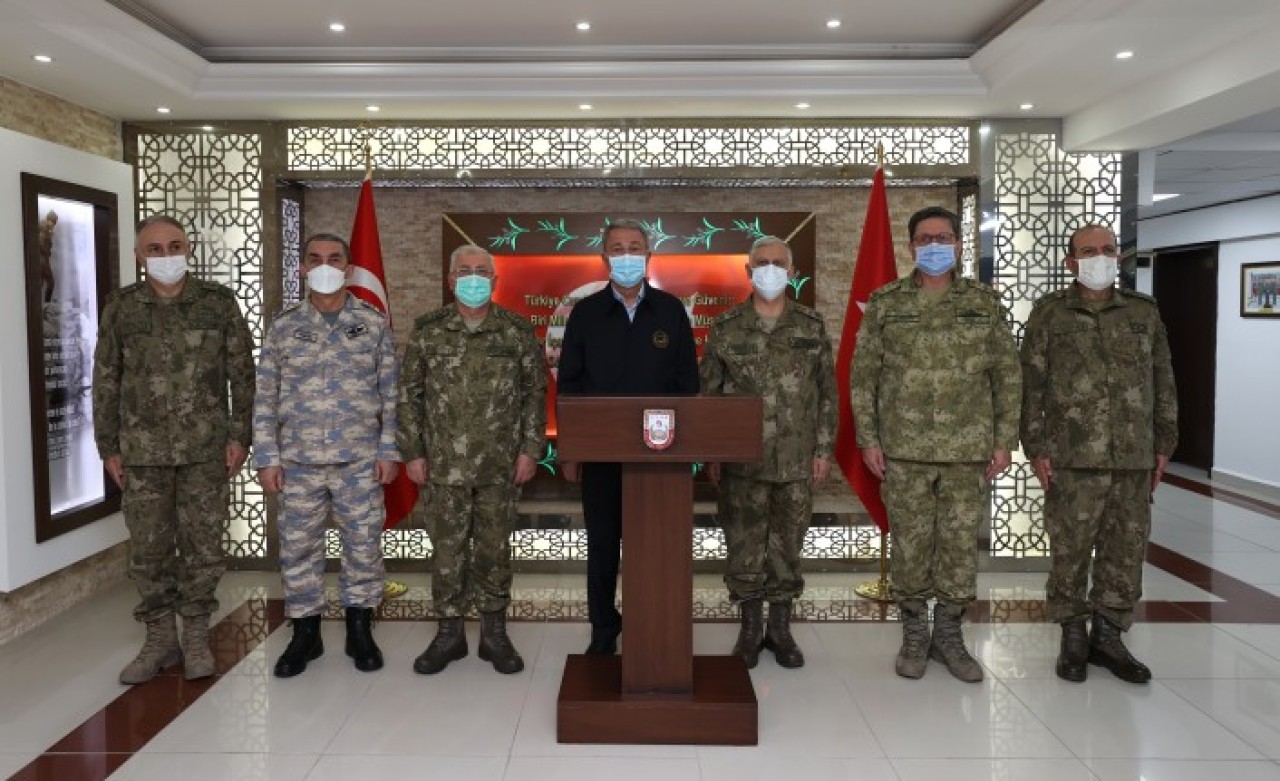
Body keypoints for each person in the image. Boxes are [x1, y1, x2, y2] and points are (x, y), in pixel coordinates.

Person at [851, 205, 1021, 683]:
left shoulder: (984, 302)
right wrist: (869, 438)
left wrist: (1004, 439)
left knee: (958, 546)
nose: (934, 246)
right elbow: (863, 377)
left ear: (960, 244)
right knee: (909, 545)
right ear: (910, 247)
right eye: (925, 239)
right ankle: (913, 633)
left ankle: (949, 634)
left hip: (967, 450)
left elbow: (1007, 374)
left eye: (943, 238)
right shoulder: (886, 302)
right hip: (903, 448)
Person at [93, 214, 255, 684]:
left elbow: (242, 376)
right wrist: (108, 445)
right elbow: (106, 380)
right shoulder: (121, 308)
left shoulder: (218, 304)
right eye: (156, 249)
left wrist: (238, 436)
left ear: (189, 249)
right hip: (141, 453)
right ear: (139, 257)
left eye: (175, 246)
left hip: (205, 450)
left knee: (204, 546)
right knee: (148, 549)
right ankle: (161, 638)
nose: (167, 256)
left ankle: (198, 635)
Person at [1020, 224, 1177, 684]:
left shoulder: (1143, 314)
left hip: (1132, 456)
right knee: (1070, 549)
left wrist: (1165, 443)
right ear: (1070, 262)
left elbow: (1163, 380)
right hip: (1072, 457)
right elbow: (1031, 385)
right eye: (1088, 251)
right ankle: (1072, 634)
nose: (1100, 257)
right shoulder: (1050, 315)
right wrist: (1035, 446)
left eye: (1108, 250)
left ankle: (1108, 636)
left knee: (1125, 550)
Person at [254, 233, 400, 678]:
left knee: (363, 547)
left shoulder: (372, 323)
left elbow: (390, 393)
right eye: (315, 259)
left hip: (359, 459)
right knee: (298, 550)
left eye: (334, 258)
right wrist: (266, 455)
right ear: (302, 268)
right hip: (297, 460)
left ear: (349, 267)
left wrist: (389, 448)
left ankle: (360, 629)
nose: (325, 265)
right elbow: (265, 395)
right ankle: (306, 634)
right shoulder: (283, 326)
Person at [398, 245, 546, 675]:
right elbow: (410, 396)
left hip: (500, 464)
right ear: (450, 279)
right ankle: (449, 634)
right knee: (446, 551)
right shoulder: (429, 331)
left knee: (495, 549)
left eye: (483, 271)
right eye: (465, 271)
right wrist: (413, 452)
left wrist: (530, 449)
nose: (474, 277)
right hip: (442, 465)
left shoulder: (516, 332)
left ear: (495, 281)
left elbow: (534, 394)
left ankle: (494, 634)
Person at [557, 219, 699, 655]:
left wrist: (685, 449)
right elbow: (570, 384)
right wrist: (572, 449)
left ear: (649, 256)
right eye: (617, 248)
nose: (626, 255)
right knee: (603, 545)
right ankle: (604, 630)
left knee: (656, 548)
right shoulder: (584, 313)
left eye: (634, 247)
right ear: (603, 257)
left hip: (661, 457)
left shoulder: (671, 311)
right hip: (602, 455)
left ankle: (653, 625)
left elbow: (688, 384)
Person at [699, 236, 836, 669]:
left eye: (779, 263)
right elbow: (708, 396)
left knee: (787, 546)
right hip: (742, 464)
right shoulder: (725, 328)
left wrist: (823, 449)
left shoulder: (811, 326)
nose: (771, 269)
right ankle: (750, 627)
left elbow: (827, 394)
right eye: (762, 263)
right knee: (742, 545)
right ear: (748, 272)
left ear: (792, 272)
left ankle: (780, 629)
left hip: (796, 460)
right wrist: (713, 455)